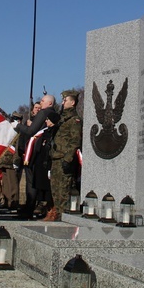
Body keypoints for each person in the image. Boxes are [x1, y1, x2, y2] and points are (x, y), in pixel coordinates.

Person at [45, 90, 83, 221]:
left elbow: (75, 141)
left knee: (63, 192)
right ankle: (57, 215)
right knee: (55, 191)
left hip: (64, 160)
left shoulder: (74, 120)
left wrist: (68, 159)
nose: (62, 103)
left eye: (65, 100)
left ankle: (63, 219)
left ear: (72, 103)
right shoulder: (61, 118)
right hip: (55, 158)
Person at [0, 112, 22, 210]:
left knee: (13, 183)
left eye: (16, 119)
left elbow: (18, 146)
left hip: (12, 160)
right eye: (13, 118)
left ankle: (14, 201)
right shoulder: (7, 130)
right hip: (4, 159)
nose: (14, 120)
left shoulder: (18, 131)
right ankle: (6, 200)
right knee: (6, 183)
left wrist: (16, 160)